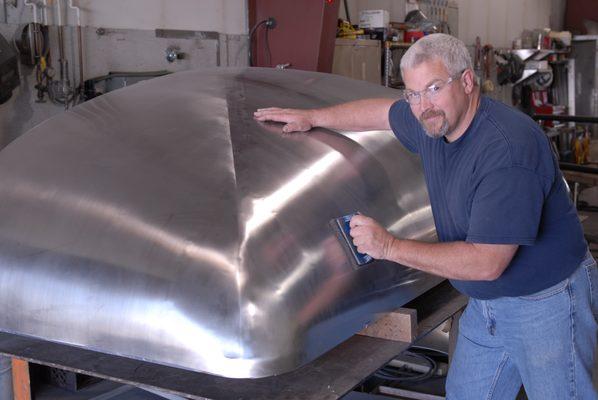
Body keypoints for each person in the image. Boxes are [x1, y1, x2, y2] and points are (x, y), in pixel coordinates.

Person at [254, 33, 598, 399]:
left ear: (466, 81)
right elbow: (381, 113)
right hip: (487, 305)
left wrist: (388, 246)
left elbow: (486, 263)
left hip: (546, 304)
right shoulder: (433, 122)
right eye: (413, 94)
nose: (423, 105)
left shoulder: (506, 151)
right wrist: (313, 117)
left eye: (433, 88)